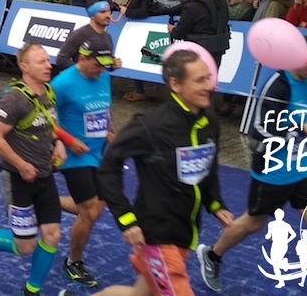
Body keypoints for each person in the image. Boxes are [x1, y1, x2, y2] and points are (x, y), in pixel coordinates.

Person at [196, 36, 307, 295]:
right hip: (273, 171)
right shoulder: (277, 85)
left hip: (302, 169)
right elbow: (259, 129)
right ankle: (212, 255)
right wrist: (302, 130)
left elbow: (306, 115)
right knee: (253, 223)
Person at [93, 49, 232, 296]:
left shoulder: (209, 122)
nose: (209, 86)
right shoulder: (151, 125)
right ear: (176, 84)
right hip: (155, 234)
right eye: (199, 80)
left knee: (139, 294)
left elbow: (208, 167)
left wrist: (215, 203)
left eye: (208, 78)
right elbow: (108, 168)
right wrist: (125, 219)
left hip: (184, 231)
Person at [0, 43, 67, 296]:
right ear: (24, 67)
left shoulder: (48, 92)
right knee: (25, 246)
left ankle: (31, 290)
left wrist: (59, 143)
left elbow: (50, 124)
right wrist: (21, 165)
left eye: (48, 60)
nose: (49, 65)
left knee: (52, 235)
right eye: (41, 62)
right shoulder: (14, 99)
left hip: (44, 176)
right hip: (16, 178)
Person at [51, 35, 116, 289]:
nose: (101, 70)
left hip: (100, 152)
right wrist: (67, 141)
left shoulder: (105, 77)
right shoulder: (62, 83)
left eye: (104, 66)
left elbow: (105, 107)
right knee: (89, 210)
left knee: (96, 209)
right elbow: (44, 116)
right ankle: (73, 262)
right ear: (82, 58)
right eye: (97, 65)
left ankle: (47, 200)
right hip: (75, 155)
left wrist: (109, 128)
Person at [169, 0, 231, 68]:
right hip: (218, 46)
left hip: (198, 48)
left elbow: (179, 33)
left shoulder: (192, 6)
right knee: (212, 74)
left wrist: (172, 29)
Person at [56, 0, 116, 72]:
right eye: (102, 12)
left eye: (109, 11)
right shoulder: (80, 34)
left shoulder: (108, 37)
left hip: (96, 78)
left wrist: (112, 66)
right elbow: (61, 59)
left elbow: (103, 66)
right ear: (92, 16)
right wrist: (83, 71)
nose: (108, 15)